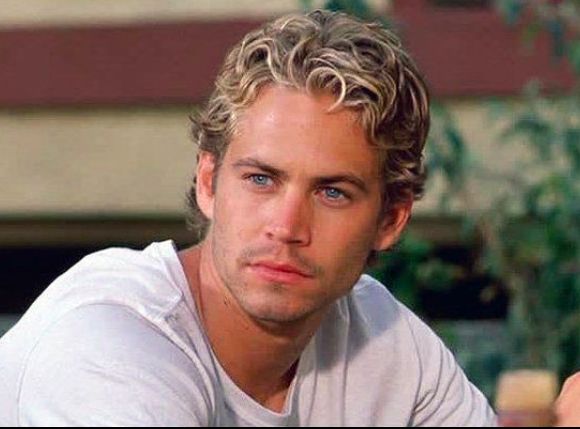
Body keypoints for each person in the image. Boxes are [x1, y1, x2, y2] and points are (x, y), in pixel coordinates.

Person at [0, 10, 497, 426]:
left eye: (332, 192)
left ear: (391, 219)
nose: (286, 227)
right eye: (261, 179)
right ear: (209, 182)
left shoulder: (385, 343)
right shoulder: (107, 344)